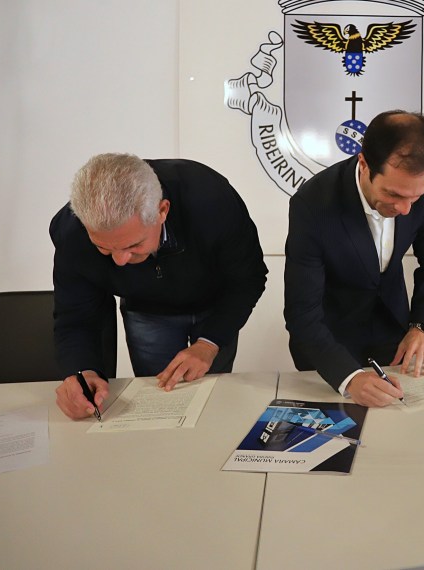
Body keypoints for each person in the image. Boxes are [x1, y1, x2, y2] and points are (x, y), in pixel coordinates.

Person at [50, 154, 268, 419]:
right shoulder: (71, 232)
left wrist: (210, 343)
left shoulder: (210, 199)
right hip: (146, 307)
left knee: (211, 403)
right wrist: (82, 371)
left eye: (133, 245)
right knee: (160, 405)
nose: (120, 261)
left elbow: (247, 278)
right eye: (103, 248)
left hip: (215, 301)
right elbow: (76, 315)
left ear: (162, 211)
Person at [284, 110, 424, 408]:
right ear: (364, 164)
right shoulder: (313, 204)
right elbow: (301, 313)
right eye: (394, 194)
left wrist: (422, 326)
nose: (406, 209)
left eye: (415, 197)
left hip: (394, 331)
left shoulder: (422, 184)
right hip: (330, 342)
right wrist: (348, 378)